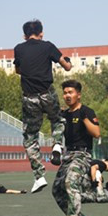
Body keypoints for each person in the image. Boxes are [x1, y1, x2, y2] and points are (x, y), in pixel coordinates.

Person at [14, 19, 71, 193]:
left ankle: (39, 176)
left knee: (30, 137)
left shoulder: (19, 48)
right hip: (47, 93)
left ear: (24, 36)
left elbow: (18, 70)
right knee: (57, 120)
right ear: (41, 33)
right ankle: (57, 145)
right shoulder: (48, 46)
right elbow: (67, 66)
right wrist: (67, 61)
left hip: (29, 97)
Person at [51, 79, 100, 216]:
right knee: (57, 190)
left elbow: (96, 133)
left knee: (70, 181)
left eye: (70, 92)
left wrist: (83, 118)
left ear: (78, 95)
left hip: (82, 154)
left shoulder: (87, 111)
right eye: (65, 93)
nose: (67, 95)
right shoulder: (63, 115)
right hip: (68, 155)